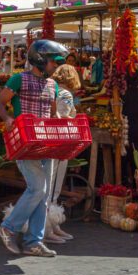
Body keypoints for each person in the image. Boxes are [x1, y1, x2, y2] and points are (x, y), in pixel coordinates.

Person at [0, 39, 68, 257]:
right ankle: (8, 227)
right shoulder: (18, 79)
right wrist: (7, 118)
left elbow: (53, 115)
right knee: (38, 189)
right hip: (25, 143)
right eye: (54, 62)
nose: (56, 67)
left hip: (47, 144)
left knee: (43, 195)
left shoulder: (52, 85)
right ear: (40, 59)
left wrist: (63, 125)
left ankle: (33, 242)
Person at [46, 63, 80, 244]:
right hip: (60, 142)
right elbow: (63, 118)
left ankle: (51, 225)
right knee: (54, 188)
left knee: (48, 186)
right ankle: (49, 227)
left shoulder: (52, 90)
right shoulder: (66, 95)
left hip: (48, 140)